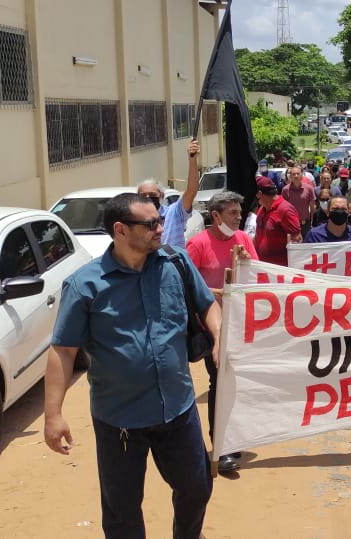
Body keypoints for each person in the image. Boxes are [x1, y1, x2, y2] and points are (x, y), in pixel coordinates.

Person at [44, 193, 219, 538]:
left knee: (197, 488)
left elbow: (208, 305)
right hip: (119, 420)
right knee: (122, 511)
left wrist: (219, 335)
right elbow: (64, 351)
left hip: (178, 409)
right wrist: (53, 414)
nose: (160, 228)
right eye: (151, 223)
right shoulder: (85, 286)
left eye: (160, 220)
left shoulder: (176, 263)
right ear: (121, 230)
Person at [185, 190, 256, 473]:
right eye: (233, 213)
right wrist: (219, 293)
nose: (239, 218)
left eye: (240, 213)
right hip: (210, 328)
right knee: (220, 383)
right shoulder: (198, 244)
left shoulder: (243, 240)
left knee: (236, 384)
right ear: (215, 216)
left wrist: (244, 261)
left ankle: (232, 436)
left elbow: (255, 277)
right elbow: (186, 285)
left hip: (240, 326)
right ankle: (223, 446)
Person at [135, 139, 200, 250]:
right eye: (143, 195)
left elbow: (191, 190)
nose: (147, 198)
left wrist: (192, 160)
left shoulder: (174, 213)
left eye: (151, 194)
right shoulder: (134, 221)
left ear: (161, 196)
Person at [253, 175, 301, 266]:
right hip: (262, 268)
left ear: (259, 193)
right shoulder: (262, 209)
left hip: (279, 271)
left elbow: (297, 240)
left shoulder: (286, 210)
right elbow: (258, 237)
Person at [281, 166, 317, 237]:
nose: (296, 176)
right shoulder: (285, 190)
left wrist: (312, 221)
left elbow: (313, 206)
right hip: (291, 224)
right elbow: (283, 208)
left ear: (302, 174)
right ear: (290, 176)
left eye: (298, 173)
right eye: (293, 174)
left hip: (305, 224)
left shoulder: (309, 188)